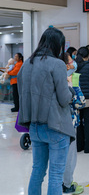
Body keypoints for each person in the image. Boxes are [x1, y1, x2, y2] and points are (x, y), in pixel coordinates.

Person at [17, 27, 75, 195]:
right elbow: (64, 99)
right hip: (56, 126)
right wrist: (71, 90)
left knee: (37, 171)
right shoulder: (57, 64)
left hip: (34, 126)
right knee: (56, 175)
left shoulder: (27, 63)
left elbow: (22, 93)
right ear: (58, 45)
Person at [61, 53, 84, 195]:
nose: (73, 63)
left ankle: (63, 182)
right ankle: (67, 185)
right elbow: (80, 102)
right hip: (69, 122)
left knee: (60, 156)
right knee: (69, 156)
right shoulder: (68, 80)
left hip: (56, 123)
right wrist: (76, 87)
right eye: (71, 61)